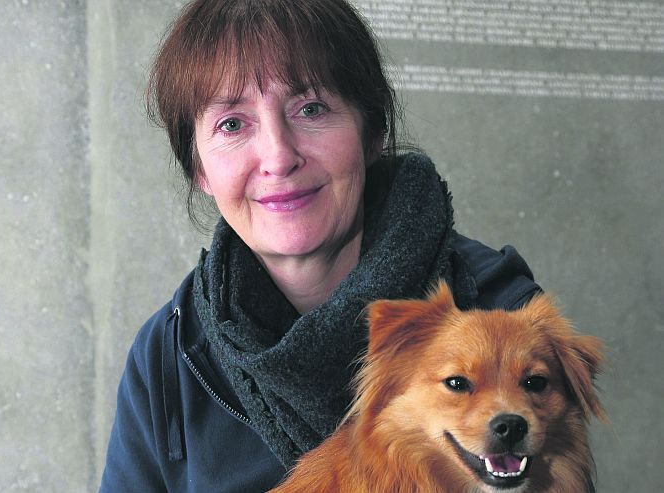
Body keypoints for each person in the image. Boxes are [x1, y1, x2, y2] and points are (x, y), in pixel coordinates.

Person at [99, 0, 541, 491]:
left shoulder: (498, 309)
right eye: (232, 124)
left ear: (372, 132)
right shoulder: (170, 351)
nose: (279, 156)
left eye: (311, 109)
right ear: (200, 168)